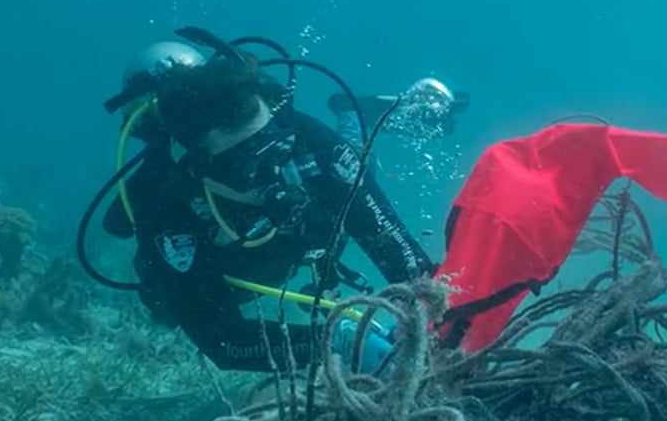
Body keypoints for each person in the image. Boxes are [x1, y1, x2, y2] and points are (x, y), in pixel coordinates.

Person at [94, 29, 454, 373]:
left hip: (315, 227)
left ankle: (352, 113)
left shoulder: (307, 140)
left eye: (276, 151)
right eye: (246, 168)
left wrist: (431, 328)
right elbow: (221, 340)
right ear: (197, 170)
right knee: (165, 305)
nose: (275, 177)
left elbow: (413, 269)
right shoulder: (164, 207)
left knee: (353, 167)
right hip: (231, 269)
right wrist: (338, 342)